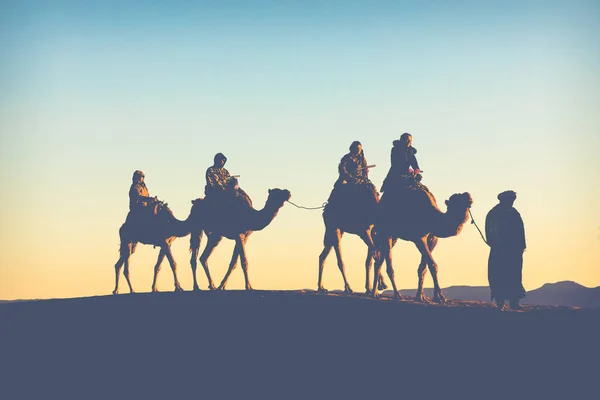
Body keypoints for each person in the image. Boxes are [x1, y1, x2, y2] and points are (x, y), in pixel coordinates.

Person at [485, 190, 527, 310]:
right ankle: (501, 301)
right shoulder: (495, 213)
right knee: (499, 274)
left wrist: (521, 247)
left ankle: (514, 302)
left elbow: (520, 231)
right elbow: (490, 232)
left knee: (514, 275)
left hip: (513, 251)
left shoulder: (513, 213)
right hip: (500, 250)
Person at [328, 141, 378, 206]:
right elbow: (342, 169)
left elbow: (365, 169)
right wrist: (351, 178)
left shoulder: (362, 158)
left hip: (359, 179)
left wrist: (364, 177)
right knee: (338, 188)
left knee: (372, 188)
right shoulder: (346, 158)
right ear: (352, 148)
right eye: (357, 148)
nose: (358, 150)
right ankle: (331, 205)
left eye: (360, 149)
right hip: (347, 179)